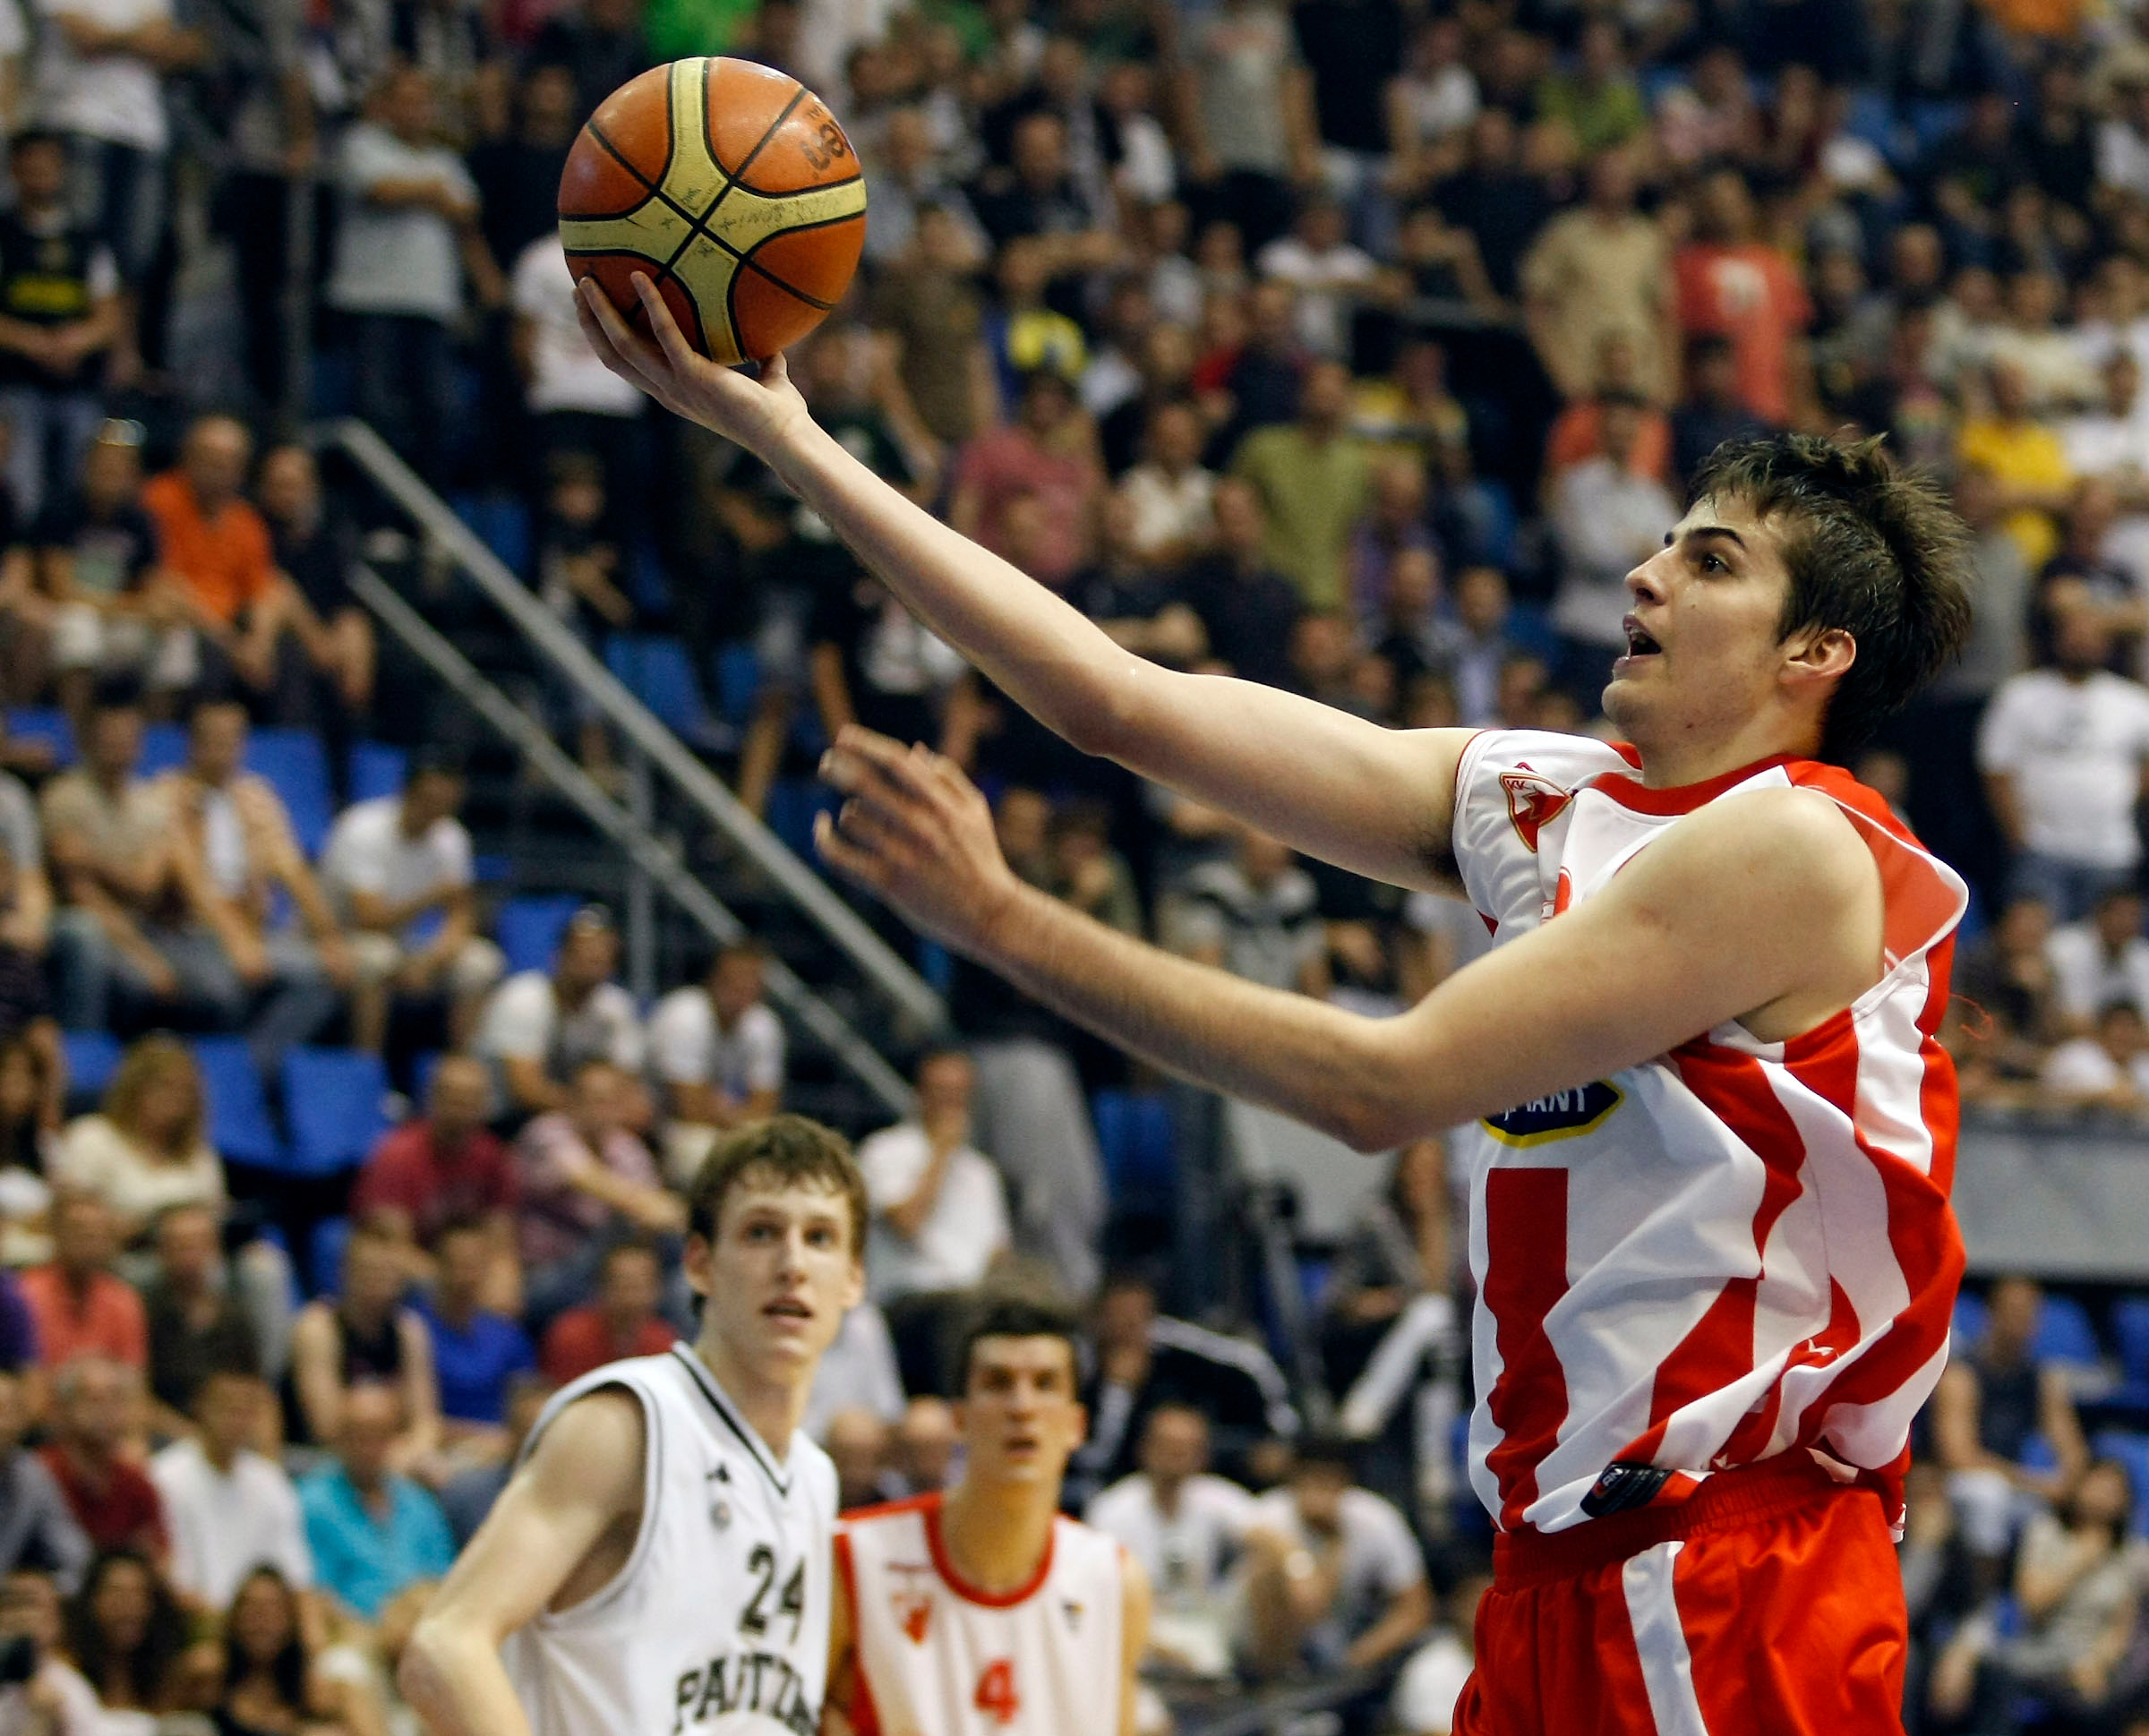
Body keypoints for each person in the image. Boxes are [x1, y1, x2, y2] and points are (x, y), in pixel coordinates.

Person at [579, 279, 1982, 1727]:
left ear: (1815, 654)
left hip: (1736, 1567)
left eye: (1710, 562)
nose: (1645, 576)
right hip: (1557, 1564)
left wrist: (1005, 919)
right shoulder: (1547, 798)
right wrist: (788, 435)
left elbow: (1379, 1086)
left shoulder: (1797, 845)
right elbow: (1122, 704)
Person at [398, 1116, 867, 1736]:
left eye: (820, 1237)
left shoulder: (813, 1477)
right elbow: (444, 1647)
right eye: (761, 1231)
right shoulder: (628, 1425)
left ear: (854, 1280)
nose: (792, 1263)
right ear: (699, 1263)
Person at [828, 1296, 1150, 1736]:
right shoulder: (853, 1557)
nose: (1022, 1407)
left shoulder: (1114, 1581)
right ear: (958, 1419)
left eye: (1045, 1383)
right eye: (998, 1383)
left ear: (1077, 1425)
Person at [149, 696, 349, 1073]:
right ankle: (202, 1069)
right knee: (223, 986)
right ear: (192, 742)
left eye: (233, 739)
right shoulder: (166, 795)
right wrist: (235, 939)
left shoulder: (256, 796)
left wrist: (329, 936)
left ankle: (255, 1065)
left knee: (324, 976)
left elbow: (291, 868)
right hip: (186, 932)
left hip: (255, 930)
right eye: (214, 739)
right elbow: (191, 878)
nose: (224, 750)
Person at [320, 752, 504, 1057]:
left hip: (406, 943)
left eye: (447, 801)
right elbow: (369, 918)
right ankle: (369, 1065)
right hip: (341, 935)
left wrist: (432, 962)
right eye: (431, 798)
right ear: (409, 792)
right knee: (377, 960)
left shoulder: (452, 837)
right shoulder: (364, 827)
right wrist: (428, 898)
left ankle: (460, 1070)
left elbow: (461, 914)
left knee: (481, 963)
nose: (437, 809)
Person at [856, 1049, 1010, 1396]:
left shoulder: (982, 1171)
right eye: (942, 1091)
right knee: (962, 1313)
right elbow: (907, 1224)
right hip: (906, 1301)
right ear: (919, 1093)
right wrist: (940, 1153)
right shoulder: (883, 1151)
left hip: (972, 1299)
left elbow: (998, 1253)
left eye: (960, 1094)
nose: (951, 1103)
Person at [1932, 1274, 2093, 1573]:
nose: (2022, 1322)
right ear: (1991, 1313)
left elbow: (2073, 1450)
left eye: (2030, 1314)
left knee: (2066, 1514)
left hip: (2018, 1489)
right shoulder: (1961, 1375)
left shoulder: (2041, 1380)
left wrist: (2069, 1481)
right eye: (2014, 1312)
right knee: (1986, 1496)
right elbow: (1959, 1457)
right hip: (1962, 1486)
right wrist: (2035, 1483)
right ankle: (1982, 1603)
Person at [1085, 1403, 1257, 1680]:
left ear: (1202, 1456)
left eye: (1188, 1446)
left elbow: (1268, 1536)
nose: (1177, 1454)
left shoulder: (1215, 1497)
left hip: (1203, 1621)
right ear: (1144, 1448)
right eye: (1168, 1444)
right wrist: (1159, 1647)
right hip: (1140, 1629)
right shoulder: (1113, 1509)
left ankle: (1272, 1677)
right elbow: (1098, 1598)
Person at [0, 130, 121, 523]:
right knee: (21, 487)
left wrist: (75, 343)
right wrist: (33, 342)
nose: (39, 174)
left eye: (47, 165)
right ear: (14, 170)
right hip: (15, 384)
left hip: (78, 384)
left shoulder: (87, 238)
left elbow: (108, 315)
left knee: (84, 490)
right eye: (30, 166)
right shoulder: (5, 232)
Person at [1238, 1435, 1431, 1679]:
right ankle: (1269, 1678)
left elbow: (1415, 1607)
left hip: (1344, 1646)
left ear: (1346, 1484)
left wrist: (1359, 1657)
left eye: (1329, 1481)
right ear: (1294, 1480)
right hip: (1268, 1647)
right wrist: (1301, 1564)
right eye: (1311, 1479)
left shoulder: (1376, 1517)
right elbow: (1309, 1601)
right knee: (1267, 1571)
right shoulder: (1270, 1513)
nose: (1319, 1491)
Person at [513, 1059, 680, 1328]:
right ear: (571, 1101)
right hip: (547, 1272)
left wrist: (664, 1213)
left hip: (605, 1271)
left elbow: (659, 1217)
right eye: (593, 1099)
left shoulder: (627, 1147)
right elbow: (589, 1179)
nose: (601, 1110)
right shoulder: (547, 1133)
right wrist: (657, 1208)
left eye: (610, 1101)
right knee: (620, 1228)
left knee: (673, 1263)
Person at [350, 1055, 519, 1311]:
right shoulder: (397, 1155)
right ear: (434, 1099)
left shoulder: (490, 1155)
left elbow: (500, 1237)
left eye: (472, 1101)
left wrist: (502, 1277)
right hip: (413, 1276)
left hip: (466, 1273)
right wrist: (456, 1283)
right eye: (455, 1100)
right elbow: (394, 1248)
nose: (463, 1110)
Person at [148, 1368, 310, 1613]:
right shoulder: (162, 1477)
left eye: (246, 1411)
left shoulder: (271, 1481)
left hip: (264, 1626)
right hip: (189, 1621)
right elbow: (166, 1577)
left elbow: (295, 1576)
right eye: (227, 1408)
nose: (236, 1420)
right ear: (200, 1408)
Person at [286, 1222, 439, 1472]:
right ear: (345, 1272)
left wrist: (409, 1454)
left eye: (388, 1271)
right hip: (323, 1459)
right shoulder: (318, 1328)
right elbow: (327, 1426)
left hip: (393, 1457)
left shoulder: (409, 1330)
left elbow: (426, 1423)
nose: (379, 1279)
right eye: (369, 1270)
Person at [298, 1384, 454, 1624]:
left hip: (417, 1632)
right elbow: (314, 1593)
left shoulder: (419, 1503)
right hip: (349, 1636)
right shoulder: (312, 1503)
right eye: (359, 1435)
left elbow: (442, 1581)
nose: (369, 1447)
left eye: (379, 1435)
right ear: (340, 1437)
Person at [475, 904, 644, 1118]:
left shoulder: (615, 1007)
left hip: (584, 1119)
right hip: (508, 1118)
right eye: (584, 954)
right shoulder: (523, 998)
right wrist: (595, 1108)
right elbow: (526, 1091)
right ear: (559, 957)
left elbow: (630, 1089)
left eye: (601, 957)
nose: (593, 962)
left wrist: (606, 1109)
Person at [644, 942, 784, 1183]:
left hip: (726, 1127)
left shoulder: (764, 1025)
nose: (743, 987)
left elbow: (766, 1108)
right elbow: (688, 1108)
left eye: (752, 981)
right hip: (656, 1123)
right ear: (713, 979)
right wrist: (739, 1117)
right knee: (700, 1154)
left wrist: (728, 1113)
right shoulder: (684, 1014)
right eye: (734, 979)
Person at [138, 1202, 264, 1437]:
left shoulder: (235, 1316)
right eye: (180, 1246)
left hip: (227, 1435)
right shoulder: (143, 1311)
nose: (190, 1256)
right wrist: (197, 1440)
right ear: (161, 1252)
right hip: (162, 1437)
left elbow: (256, 1391)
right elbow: (137, 1397)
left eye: (199, 1245)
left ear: (216, 1249)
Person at [39, 1355, 165, 1561]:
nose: (105, 1410)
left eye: (116, 1399)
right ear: (61, 1410)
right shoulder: (40, 1475)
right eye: (92, 1399)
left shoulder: (136, 1483)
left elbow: (159, 1561)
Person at [213, 1567, 357, 1736]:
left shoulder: (319, 1692)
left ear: (293, 1620)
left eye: (273, 1610)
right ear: (234, 1617)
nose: (262, 1623)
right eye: (252, 1609)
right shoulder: (210, 1680)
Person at [19, 1193, 144, 1373]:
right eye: (78, 1229)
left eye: (98, 1231)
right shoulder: (26, 1294)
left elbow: (133, 1382)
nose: (89, 1237)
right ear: (56, 1234)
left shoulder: (123, 1300)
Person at [62, 1550, 191, 1722]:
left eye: (139, 1593)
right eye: (116, 1592)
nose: (129, 1605)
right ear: (92, 1601)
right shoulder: (65, 1676)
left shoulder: (169, 1679)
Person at [535, 1237, 673, 1387]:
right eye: (624, 1285)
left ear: (658, 1290)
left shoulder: (663, 1342)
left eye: (641, 1286)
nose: (632, 1297)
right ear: (603, 1288)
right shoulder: (571, 1336)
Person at [0, 1373, 90, 1593]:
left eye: (9, 1410)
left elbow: (74, 1554)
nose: (3, 1422)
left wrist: (50, 1590)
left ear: (23, 1421)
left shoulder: (31, 1474)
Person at [0, 1568, 102, 1736]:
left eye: (30, 1603)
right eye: (11, 1604)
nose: (20, 1616)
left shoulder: (69, 1690)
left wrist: (43, 1720)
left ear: (56, 1622)